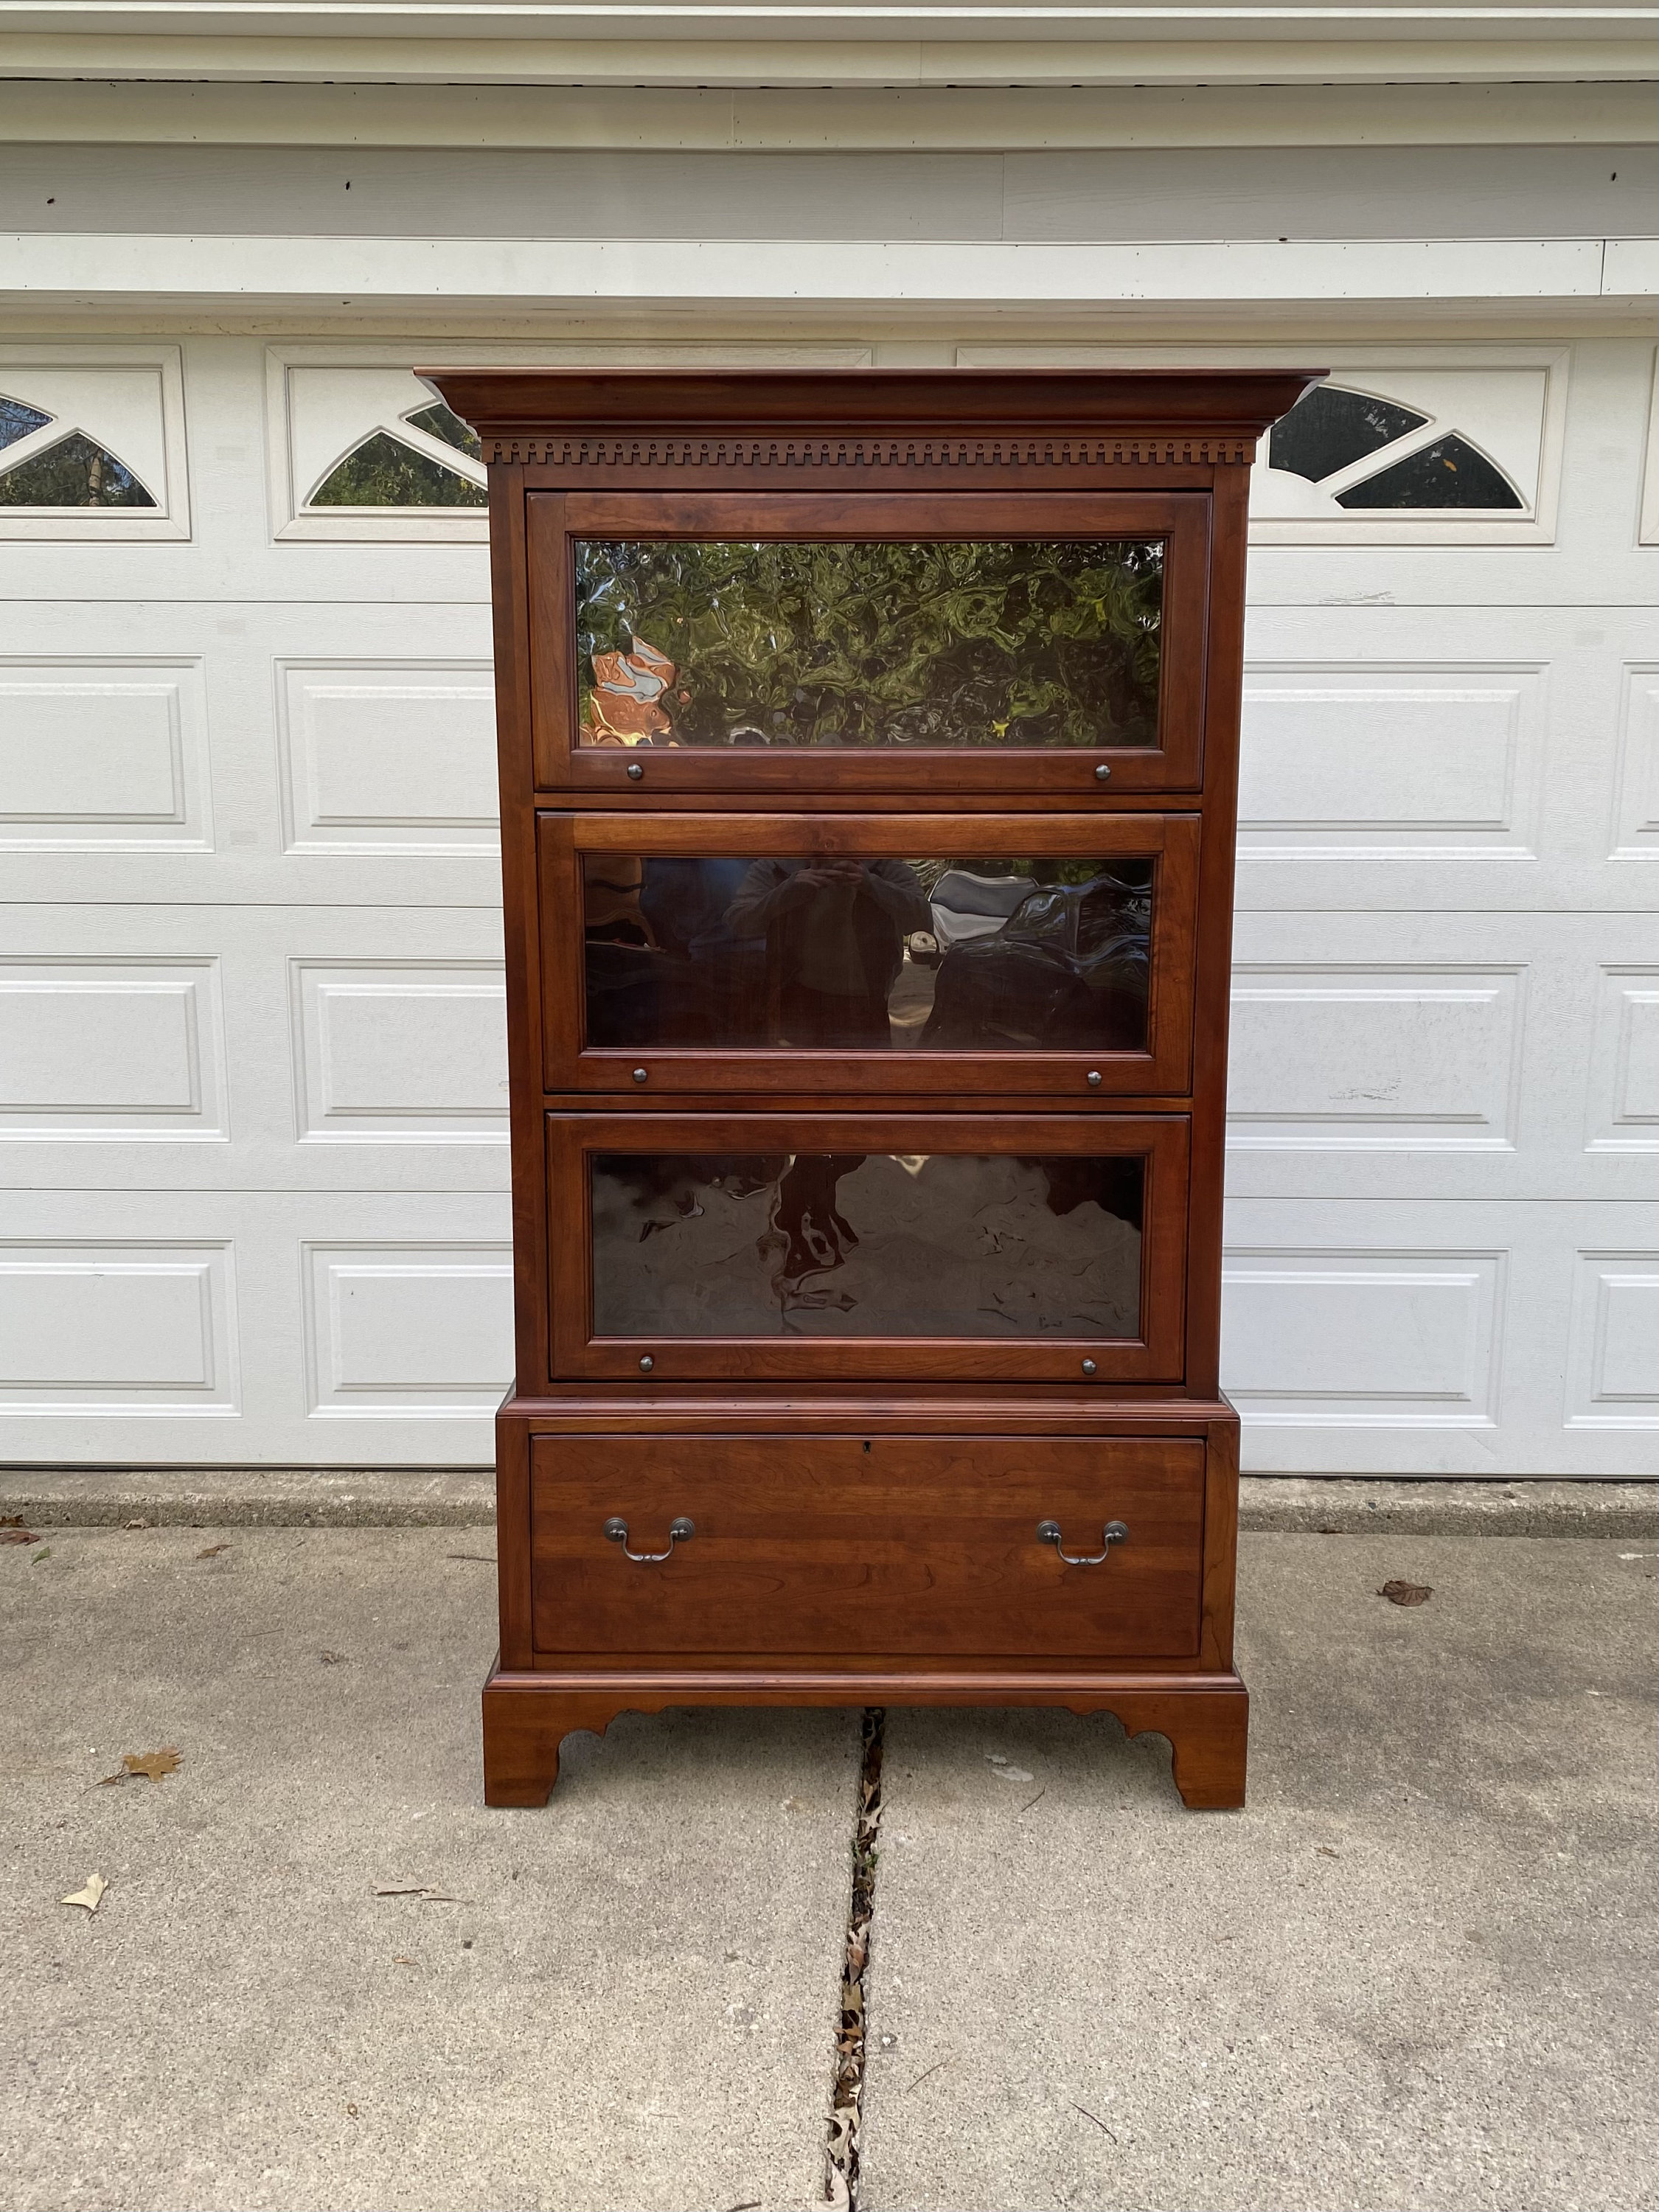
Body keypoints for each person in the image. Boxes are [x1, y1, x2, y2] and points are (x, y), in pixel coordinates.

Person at [724, 855, 931, 1048]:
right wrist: (789, 891)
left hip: (866, 1001)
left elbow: (921, 919)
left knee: (865, 1073)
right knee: (800, 1072)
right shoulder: (778, 866)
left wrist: (871, 884)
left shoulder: (884, 867)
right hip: (797, 999)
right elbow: (739, 922)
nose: (831, 845)